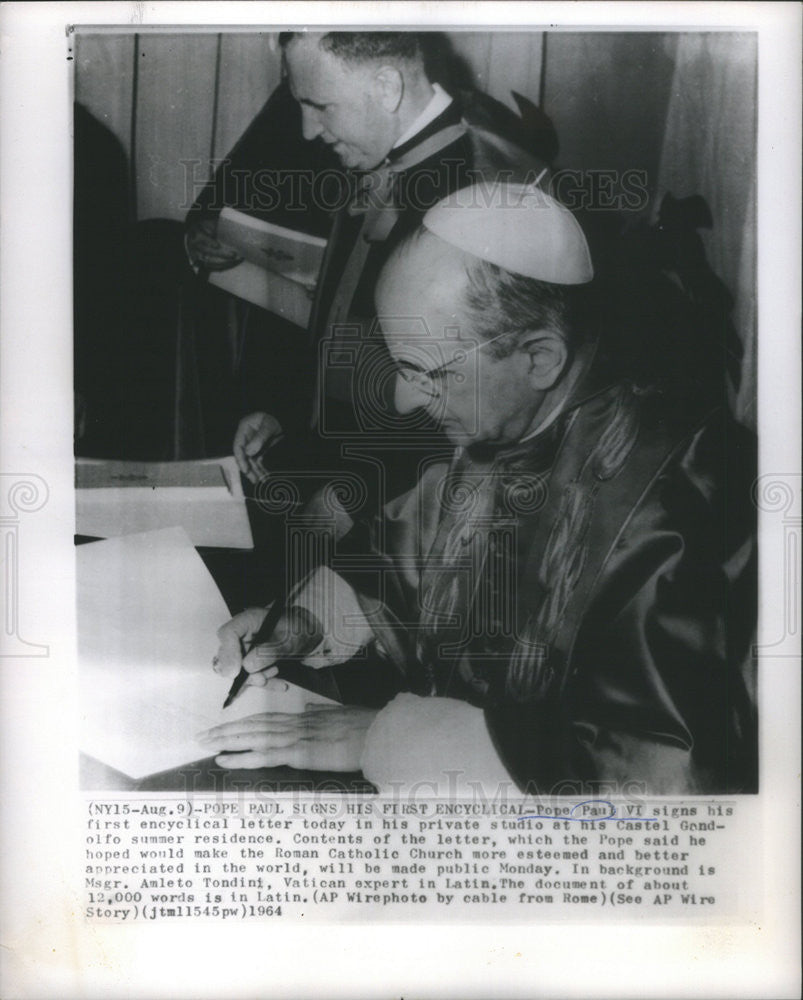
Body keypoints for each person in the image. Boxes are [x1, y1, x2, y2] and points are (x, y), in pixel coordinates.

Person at [198, 183, 757, 797]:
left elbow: (656, 777)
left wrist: (383, 738)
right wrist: (306, 621)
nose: (407, 400)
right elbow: (408, 559)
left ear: (539, 357)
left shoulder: (676, 498)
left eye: (425, 373)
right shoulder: (514, 414)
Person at [186, 31, 546, 499]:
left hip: (403, 503)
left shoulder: (489, 188)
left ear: (386, 88)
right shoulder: (382, 158)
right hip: (334, 464)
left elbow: (474, 408)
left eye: (320, 106)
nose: (307, 131)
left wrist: (353, 506)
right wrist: (288, 415)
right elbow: (347, 321)